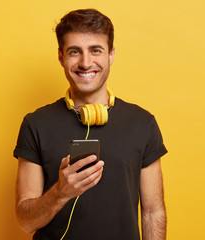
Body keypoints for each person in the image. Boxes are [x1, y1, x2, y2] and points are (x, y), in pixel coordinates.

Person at [14, 9, 168, 240]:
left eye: (96, 50)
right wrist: (61, 192)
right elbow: (26, 222)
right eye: (74, 52)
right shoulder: (35, 124)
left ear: (111, 55)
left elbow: (153, 212)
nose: (86, 63)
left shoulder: (142, 123)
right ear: (61, 57)